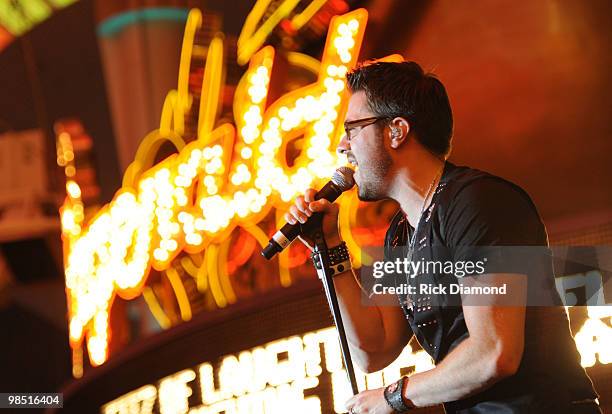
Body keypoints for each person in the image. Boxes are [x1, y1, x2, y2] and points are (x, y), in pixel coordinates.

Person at [285, 61, 600, 413]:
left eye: (352, 129)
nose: (343, 146)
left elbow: (494, 352)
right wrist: (329, 248)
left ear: (397, 130)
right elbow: (373, 351)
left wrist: (393, 396)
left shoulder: (477, 202)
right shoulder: (400, 236)